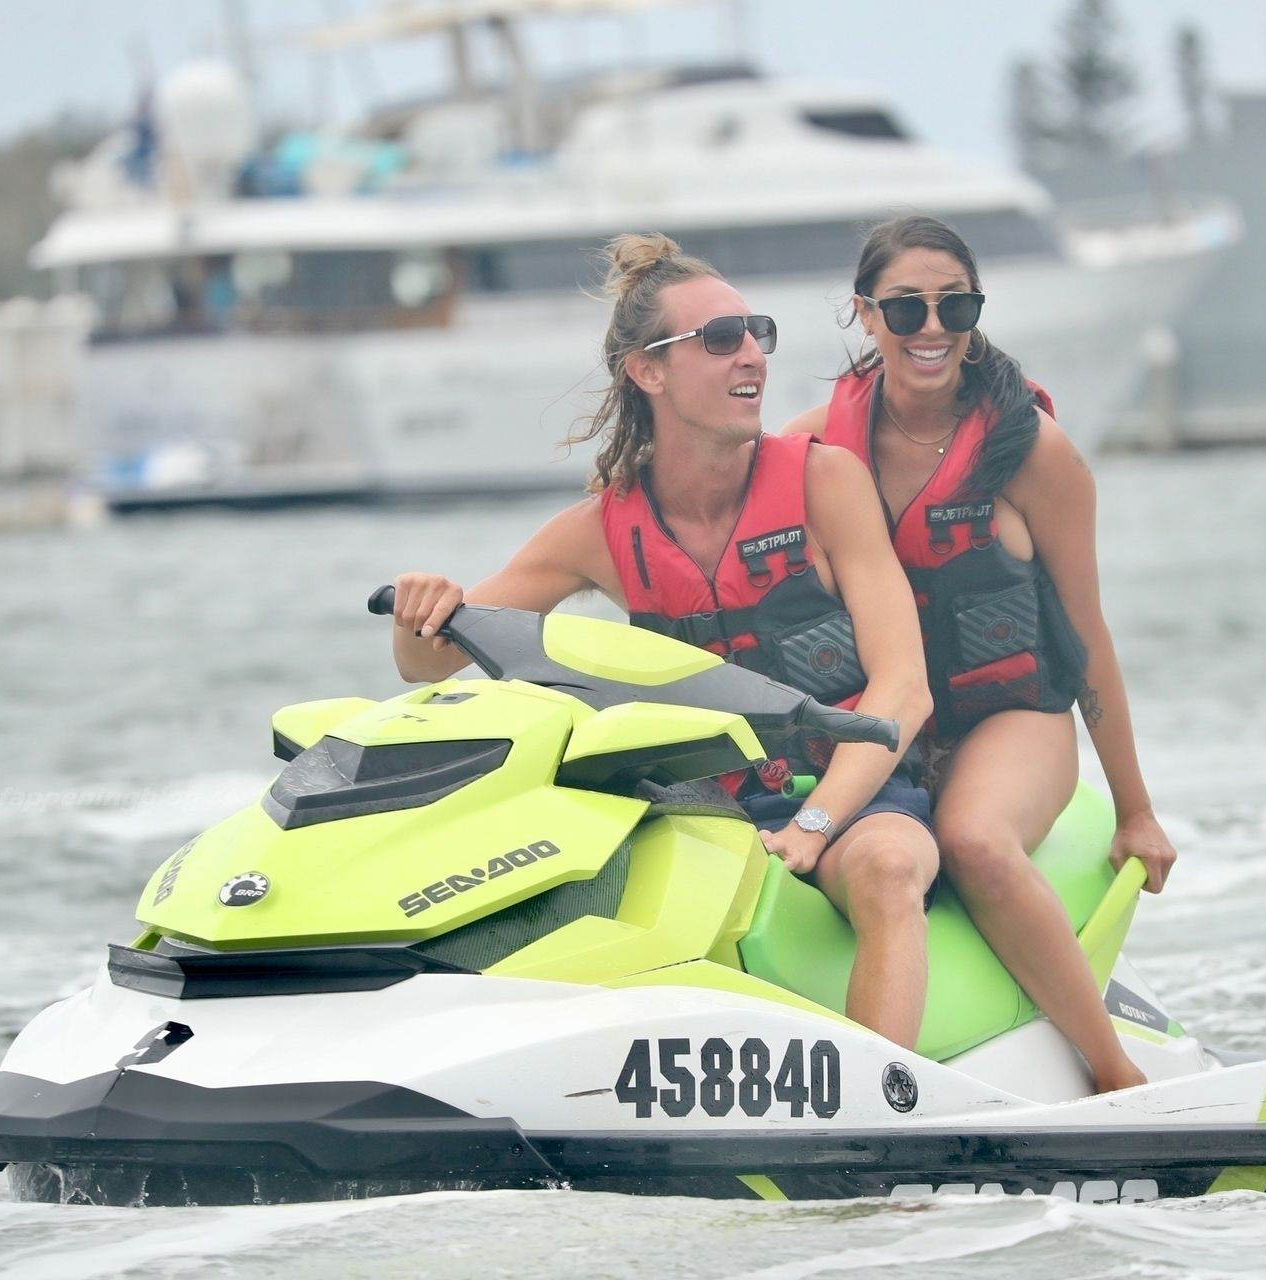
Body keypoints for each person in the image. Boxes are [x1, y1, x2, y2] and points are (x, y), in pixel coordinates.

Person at [386, 234, 939, 1048]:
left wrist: (816, 823)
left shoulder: (826, 482)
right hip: (701, 811)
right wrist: (421, 611)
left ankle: (883, 1103)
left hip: (856, 800)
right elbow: (428, 663)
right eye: (720, 338)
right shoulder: (598, 532)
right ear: (647, 369)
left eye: (756, 333)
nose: (751, 354)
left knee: (889, 869)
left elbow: (904, 688)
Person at [783, 214, 1177, 1094]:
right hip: (883, 726)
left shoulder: (1032, 453)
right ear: (865, 313)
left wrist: (1137, 811)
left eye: (954, 305)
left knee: (973, 841)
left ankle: (1114, 1073)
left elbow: (1086, 633)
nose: (931, 328)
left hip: (1011, 716)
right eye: (905, 308)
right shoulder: (815, 449)